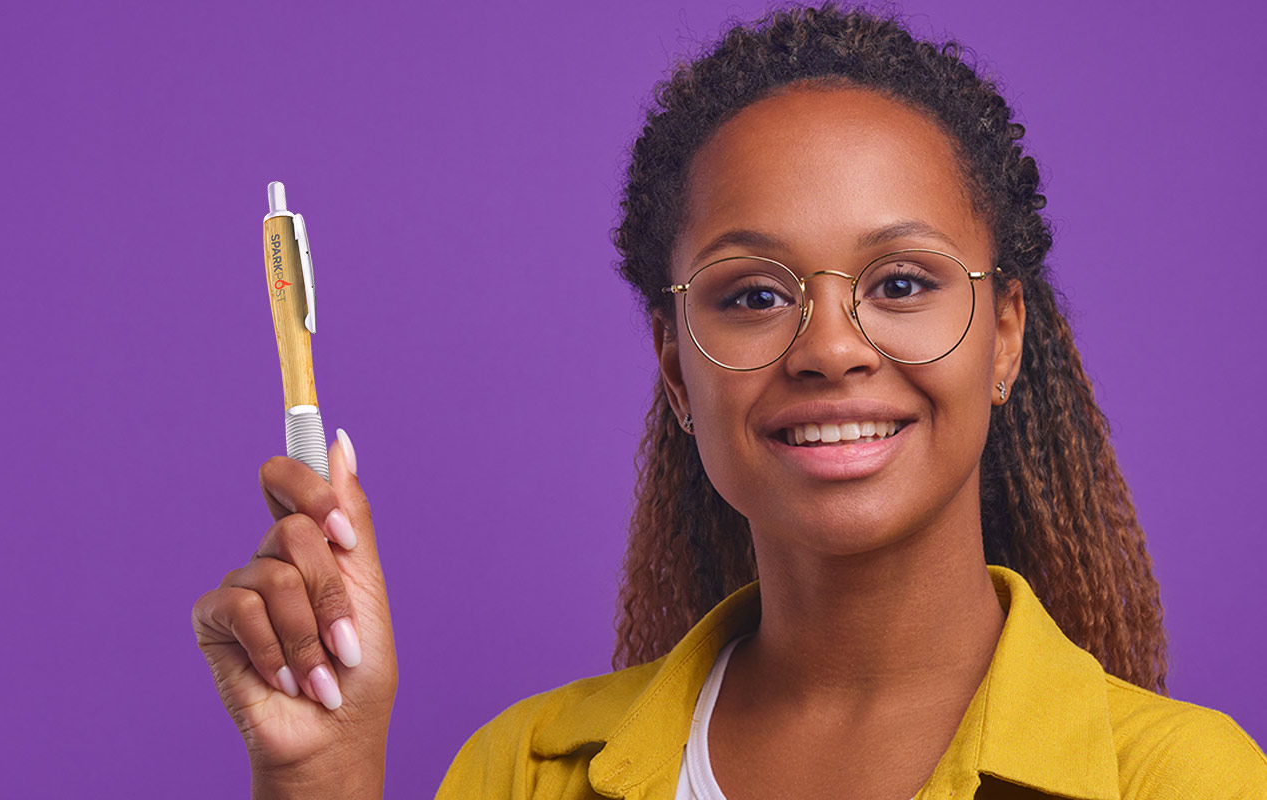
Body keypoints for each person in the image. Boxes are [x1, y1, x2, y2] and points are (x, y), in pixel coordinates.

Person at [192, 3, 1267, 798]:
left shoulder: (1181, 777)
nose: (831, 346)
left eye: (900, 283)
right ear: (675, 365)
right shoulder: (522, 769)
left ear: (1004, 333)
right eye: (754, 294)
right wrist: (325, 771)